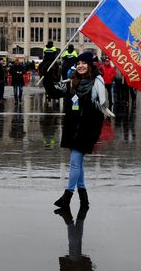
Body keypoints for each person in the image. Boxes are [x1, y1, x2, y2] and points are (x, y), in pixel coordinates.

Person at [43, 51, 109, 208]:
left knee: (74, 163)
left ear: (90, 65)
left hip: (87, 131)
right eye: (78, 63)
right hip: (72, 130)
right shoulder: (71, 82)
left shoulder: (98, 84)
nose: (80, 65)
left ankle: (67, 196)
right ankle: (84, 199)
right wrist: (46, 76)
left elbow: (103, 110)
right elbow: (53, 91)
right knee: (77, 164)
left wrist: (95, 133)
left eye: (84, 63)